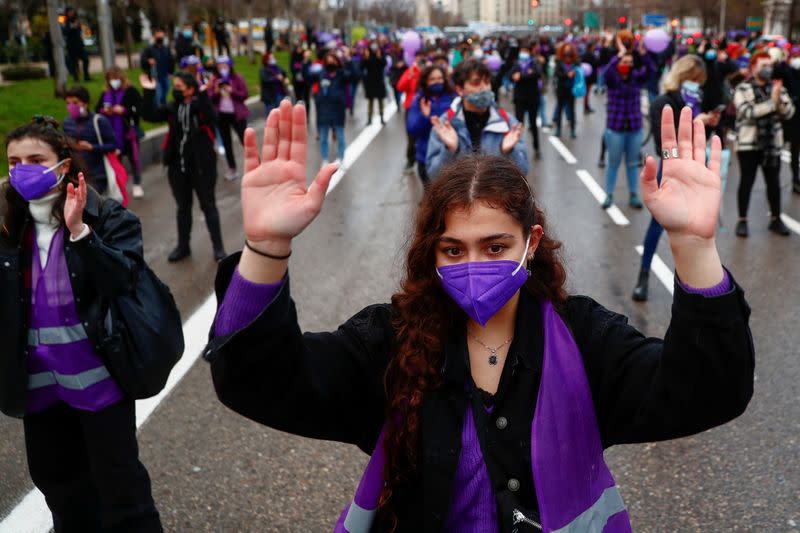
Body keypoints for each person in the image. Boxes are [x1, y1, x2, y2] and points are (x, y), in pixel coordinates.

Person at [204, 100, 754, 532]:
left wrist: (692, 246)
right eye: (453, 249)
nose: (474, 265)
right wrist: (267, 247)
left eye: (495, 247)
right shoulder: (391, 342)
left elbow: (707, 391)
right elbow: (262, 382)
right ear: (432, 251)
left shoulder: (584, 338)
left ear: (530, 241)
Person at [1, 117, 163, 532]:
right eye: (14, 162)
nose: (23, 170)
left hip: (99, 384)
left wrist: (81, 234)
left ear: (63, 165)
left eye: (36, 159)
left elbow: (124, 280)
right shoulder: (7, 224)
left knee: (122, 492)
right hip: (39, 389)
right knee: (62, 492)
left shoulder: (107, 216)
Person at [633, 55, 720, 301]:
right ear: (683, 76)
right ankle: (644, 274)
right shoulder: (664, 102)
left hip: (697, 166)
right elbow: (663, 145)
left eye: (700, 82)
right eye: (695, 80)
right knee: (658, 225)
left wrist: (708, 123)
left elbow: (700, 138)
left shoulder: (698, 100)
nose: (698, 86)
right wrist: (693, 123)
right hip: (671, 169)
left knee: (698, 227)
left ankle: (696, 283)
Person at [139, 71, 226, 262]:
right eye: (175, 87)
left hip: (202, 167)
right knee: (182, 207)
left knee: (208, 205)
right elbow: (149, 115)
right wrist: (148, 92)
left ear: (190, 90)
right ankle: (183, 247)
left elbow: (212, 116)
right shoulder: (173, 108)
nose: (175, 90)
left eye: (179, 87)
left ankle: (219, 248)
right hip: (178, 168)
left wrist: (202, 94)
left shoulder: (200, 107)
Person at [426, 59, 527, 179]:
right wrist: (449, 150)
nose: (484, 88)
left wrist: (508, 152)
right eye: (476, 83)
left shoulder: (507, 123)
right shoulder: (446, 125)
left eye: (486, 82)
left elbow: (523, 171)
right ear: (460, 89)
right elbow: (433, 175)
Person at [733, 51, 794, 237]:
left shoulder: (778, 88)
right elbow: (747, 112)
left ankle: (776, 219)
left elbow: (789, 112)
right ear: (753, 68)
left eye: (769, 65)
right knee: (747, 181)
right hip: (748, 144)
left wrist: (779, 101)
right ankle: (742, 220)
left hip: (772, 145)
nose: (767, 69)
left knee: (774, 183)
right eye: (763, 66)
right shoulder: (743, 89)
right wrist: (772, 103)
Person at [600, 37, 655, 209]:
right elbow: (605, 73)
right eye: (625, 61)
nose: (627, 65)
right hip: (615, 129)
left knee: (632, 164)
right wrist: (619, 55)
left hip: (634, 129)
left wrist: (644, 55)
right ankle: (608, 195)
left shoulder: (636, 78)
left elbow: (652, 71)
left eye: (630, 62)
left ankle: (633, 195)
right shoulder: (613, 79)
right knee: (613, 163)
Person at [95, 66, 144, 199]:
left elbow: (139, 109)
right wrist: (105, 111)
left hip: (128, 133)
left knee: (134, 159)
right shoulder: (105, 94)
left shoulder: (131, 91)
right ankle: (120, 186)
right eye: (110, 79)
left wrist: (124, 110)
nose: (113, 81)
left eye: (115, 78)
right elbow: (97, 109)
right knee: (116, 162)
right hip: (111, 134)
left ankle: (137, 184)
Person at [406, 66, 457, 185]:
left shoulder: (454, 98)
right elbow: (412, 129)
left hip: (451, 157)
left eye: (440, 78)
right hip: (425, 157)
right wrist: (424, 117)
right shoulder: (420, 100)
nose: (437, 82)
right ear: (425, 81)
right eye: (432, 79)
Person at [62, 86, 116, 195]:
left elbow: (113, 145)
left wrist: (92, 147)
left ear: (85, 103)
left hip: (97, 176)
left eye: (75, 103)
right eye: (68, 103)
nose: (71, 106)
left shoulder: (99, 121)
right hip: (75, 175)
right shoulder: (67, 122)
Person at [208, 55, 250, 182]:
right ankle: (232, 168)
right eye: (220, 66)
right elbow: (209, 98)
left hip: (237, 115)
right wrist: (216, 91)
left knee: (246, 141)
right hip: (222, 116)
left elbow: (245, 94)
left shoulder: (237, 78)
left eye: (225, 65)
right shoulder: (214, 79)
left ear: (230, 66)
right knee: (227, 143)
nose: (222, 68)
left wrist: (232, 91)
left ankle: (256, 165)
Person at [307, 52, 354, 165]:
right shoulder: (320, 74)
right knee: (323, 138)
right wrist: (306, 61)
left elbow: (355, 75)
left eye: (333, 60)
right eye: (328, 61)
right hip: (324, 110)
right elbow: (307, 77)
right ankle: (325, 160)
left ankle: (342, 159)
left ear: (337, 62)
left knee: (340, 136)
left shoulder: (342, 74)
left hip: (338, 110)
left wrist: (349, 60)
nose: (330, 63)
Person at [511, 44, 542, 159]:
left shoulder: (534, 63)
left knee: (533, 124)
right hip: (519, 98)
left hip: (532, 98)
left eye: (525, 50)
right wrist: (526, 74)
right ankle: (517, 150)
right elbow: (511, 76)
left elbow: (537, 74)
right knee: (519, 125)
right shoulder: (516, 63)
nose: (523, 53)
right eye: (522, 50)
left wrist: (521, 76)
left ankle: (537, 148)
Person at [398, 51, 427, 169]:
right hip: (411, 108)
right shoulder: (410, 71)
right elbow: (400, 87)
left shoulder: (427, 72)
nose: (419, 61)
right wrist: (410, 74)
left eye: (421, 58)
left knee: (424, 136)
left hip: (425, 107)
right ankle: (410, 159)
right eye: (417, 58)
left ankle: (423, 160)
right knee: (411, 136)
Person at [779, 48, 800, 194]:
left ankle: (795, 181)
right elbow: (779, 70)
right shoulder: (787, 72)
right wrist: (784, 60)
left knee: (795, 152)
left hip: (797, 121)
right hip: (786, 118)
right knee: (777, 151)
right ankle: (775, 179)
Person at [139, 29, 175, 106]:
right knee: (158, 94)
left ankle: (164, 108)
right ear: (154, 37)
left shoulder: (166, 49)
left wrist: (171, 72)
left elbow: (171, 61)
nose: (159, 37)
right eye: (158, 35)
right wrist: (148, 61)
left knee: (164, 93)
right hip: (155, 77)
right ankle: (158, 109)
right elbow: (143, 60)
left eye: (161, 36)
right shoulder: (149, 49)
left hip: (165, 76)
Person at [551, 42, 578, 138]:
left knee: (572, 110)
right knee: (559, 109)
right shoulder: (559, 62)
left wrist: (575, 73)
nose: (567, 53)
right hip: (561, 89)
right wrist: (567, 75)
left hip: (572, 89)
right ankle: (558, 129)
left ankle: (573, 129)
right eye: (566, 50)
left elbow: (580, 73)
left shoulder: (576, 62)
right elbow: (557, 74)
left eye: (569, 50)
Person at [62, 7, 90, 82]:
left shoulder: (77, 20)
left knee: (86, 59)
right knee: (74, 62)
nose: (71, 13)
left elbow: (81, 30)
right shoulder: (65, 21)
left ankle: (86, 76)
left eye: (72, 11)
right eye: (69, 12)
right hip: (71, 45)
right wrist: (72, 27)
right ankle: (76, 78)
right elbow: (64, 32)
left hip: (79, 44)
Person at [363, 44, 388, 125]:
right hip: (370, 82)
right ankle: (369, 118)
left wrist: (379, 56)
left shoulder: (380, 56)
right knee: (370, 102)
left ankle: (382, 117)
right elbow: (362, 66)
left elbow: (384, 63)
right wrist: (366, 57)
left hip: (379, 82)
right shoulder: (368, 57)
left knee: (381, 101)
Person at [260, 51, 289, 119]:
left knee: (281, 114)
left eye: (273, 57)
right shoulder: (263, 70)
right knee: (271, 115)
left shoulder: (277, 67)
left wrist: (285, 78)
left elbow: (284, 73)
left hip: (280, 93)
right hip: (270, 96)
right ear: (266, 60)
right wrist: (276, 78)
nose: (273, 59)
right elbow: (265, 79)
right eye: (271, 58)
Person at [582, 41, 599, 113]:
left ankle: (586, 106)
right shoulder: (590, 55)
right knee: (587, 92)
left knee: (587, 92)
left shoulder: (585, 54)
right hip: (589, 76)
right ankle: (586, 107)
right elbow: (595, 63)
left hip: (586, 75)